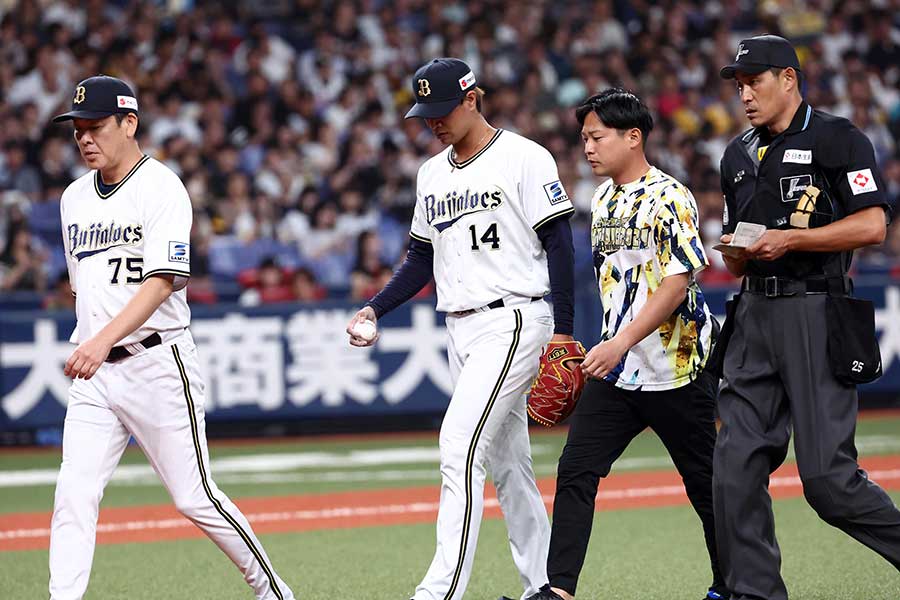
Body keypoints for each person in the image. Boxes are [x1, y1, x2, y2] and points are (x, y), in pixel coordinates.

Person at [48, 75, 295, 600]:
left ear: (129, 123)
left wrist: (99, 341)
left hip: (157, 361)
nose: (85, 138)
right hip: (97, 375)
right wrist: (93, 341)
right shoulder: (73, 198)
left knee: (194, 496)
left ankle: (273, 590)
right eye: (77, 130)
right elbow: (81, 284)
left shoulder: (161, 186)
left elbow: (162, 282)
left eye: (95, 126)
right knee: (74, 491)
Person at [346, 58, 576, 600]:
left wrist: (564, 331)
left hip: (514, 317)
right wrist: (376, 308)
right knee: (508, 462)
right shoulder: (431, 173)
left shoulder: (524, 157)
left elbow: (560, 246)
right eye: (425, 113)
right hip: (460, 329)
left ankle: (439, 591)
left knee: (458, 446)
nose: (434, 122)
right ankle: (543, 585)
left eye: (443, 110)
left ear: (473, 99)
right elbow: (420, 261)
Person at [715, 35, 900, 600]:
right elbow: (744, 241)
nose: (744, 94)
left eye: (755, 81)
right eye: (739, 85)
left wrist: (794, 240)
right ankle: (755, 592)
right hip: (753, 314)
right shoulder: (737, 155)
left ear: (788, 80)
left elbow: (872, 226)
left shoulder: (836, 137)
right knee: (734, 468)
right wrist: (736, 251)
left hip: (816, 312)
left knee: (827, 483)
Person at [530, 89, 727, 600]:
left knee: (707, 487)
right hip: (619, 372)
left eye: (596, 137)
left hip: (678, 369)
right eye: (584, 139)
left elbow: (678, 281)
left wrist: (618, 342)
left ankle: (733, 586)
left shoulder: (670, 196)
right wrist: (609, 347)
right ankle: (559, 590)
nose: (587, 148)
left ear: (633, 136)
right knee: (576, 470)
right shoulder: (602, 200)